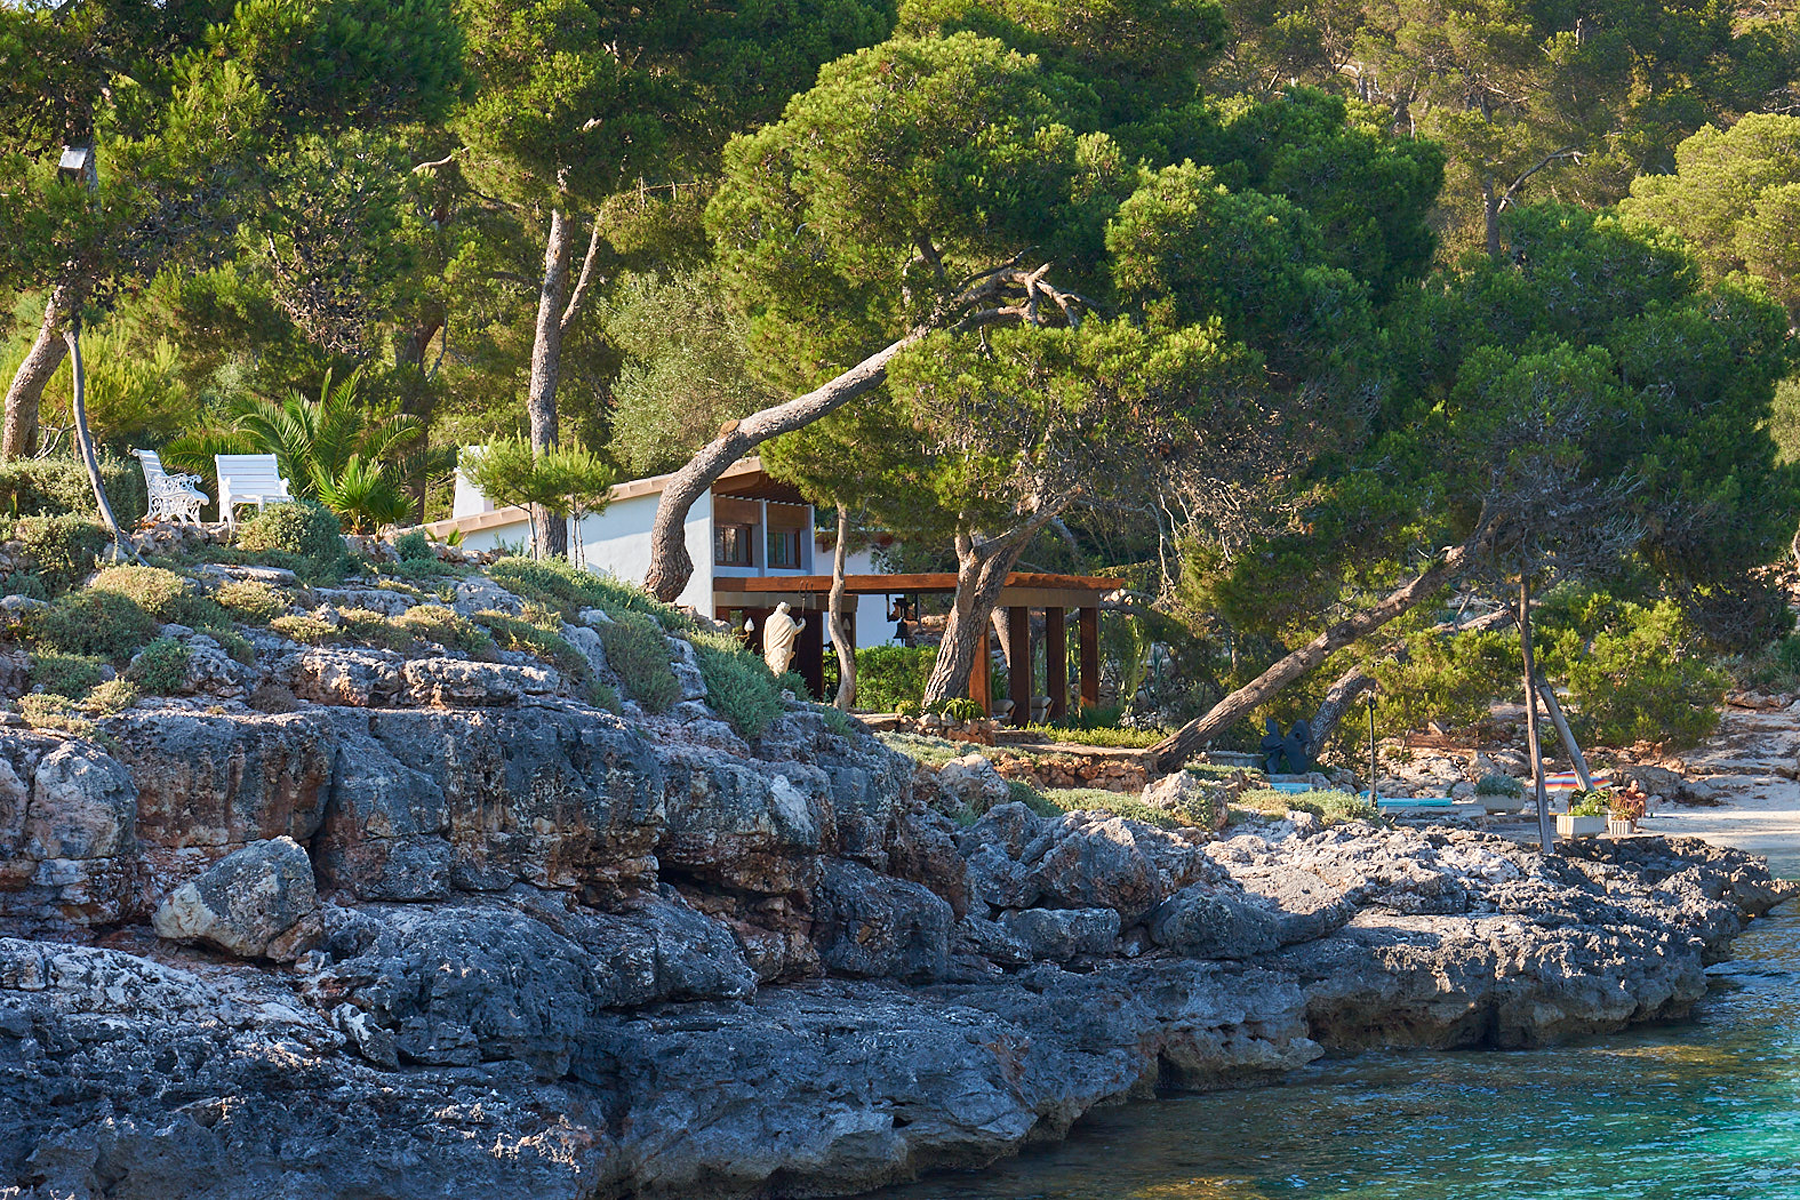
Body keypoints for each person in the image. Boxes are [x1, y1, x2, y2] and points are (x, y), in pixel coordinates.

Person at [763, 602, 806, 675]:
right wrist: (803, 624)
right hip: (781, 651)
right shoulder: (787, 619)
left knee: (773, 674)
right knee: (780, 675)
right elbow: (795, 630)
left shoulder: (769, 619)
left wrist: (766, 651)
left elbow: (765, 636)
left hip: (771, 651)